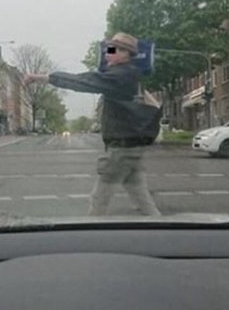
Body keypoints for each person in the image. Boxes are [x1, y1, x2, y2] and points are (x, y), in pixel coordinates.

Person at [24, 32, 161, 217]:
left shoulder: (119, 76)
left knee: (100, 197)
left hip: (121, 148)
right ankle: (160, 227)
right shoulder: (130, 74)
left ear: (125, 53)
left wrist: (43, 78)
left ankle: (91, 230)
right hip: (131, 146)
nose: (106, 54)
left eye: (111, 50)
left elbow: (83, 81)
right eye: (107, 49)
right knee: (139, 194)